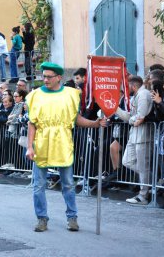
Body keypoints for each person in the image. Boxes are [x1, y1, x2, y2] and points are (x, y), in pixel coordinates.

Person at [25, 62, 107, 232]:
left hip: (63, 143)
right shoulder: (35, 95)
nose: (45, 79)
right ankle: (42, 218)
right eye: (44, 76)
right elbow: (32, 123)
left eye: (49, 76)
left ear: (59, 78)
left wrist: (95, 124)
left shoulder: (71, 94)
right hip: (42, 144)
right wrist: (29, 147)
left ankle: (72, 217)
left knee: (68, 184)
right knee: (39, 185)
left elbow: (76, 119)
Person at [114, 76, 153, 205]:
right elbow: (131, 118)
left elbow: (140, 116)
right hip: (134, 135)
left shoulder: (143, 94)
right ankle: (151, 179)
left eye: (127, 85)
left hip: (143, 136)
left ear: (133, 85)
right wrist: (115, 108)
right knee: (127, 161)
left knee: (143, 166)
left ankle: (143, 195)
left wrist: (132, 120)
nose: (125, 88)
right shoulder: (137, 95)